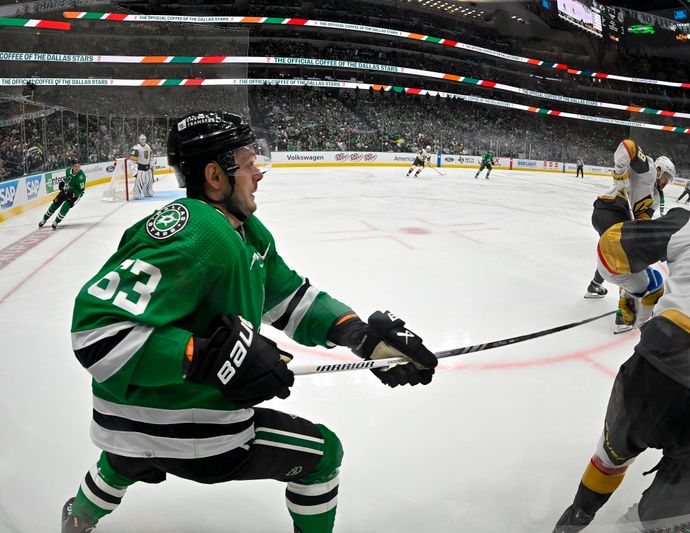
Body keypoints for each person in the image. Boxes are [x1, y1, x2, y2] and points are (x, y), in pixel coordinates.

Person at [61, 111, 438, 533]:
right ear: (215, 176)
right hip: (192, 429)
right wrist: (202, 356)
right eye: (248, 162)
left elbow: (291, 298)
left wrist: (362, 337)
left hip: (122, 425)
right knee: (324, 453)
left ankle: (78, 518)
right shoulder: (195, 231)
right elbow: (96, 334)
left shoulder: (247, 232)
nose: (258, 173)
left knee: (123, 458)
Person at [556, 187, 690, 532]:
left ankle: (575, 520)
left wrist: (645, 288)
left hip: (670, 359)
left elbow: (609, 249)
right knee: (652, 527)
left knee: (610, 455)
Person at [584, 139, 674, 335]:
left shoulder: (656, 198)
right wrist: (620, 174)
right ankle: (623, 316)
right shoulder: (647, 168)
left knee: (613, 257)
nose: (665, 182)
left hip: (608, 215)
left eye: (669, 180)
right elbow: (626, 146)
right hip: (611, 210)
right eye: (665, 175)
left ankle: (594, 285)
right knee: (627, 258)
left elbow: (642, 221)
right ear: (658, 168)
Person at [38, 160, 85, 230]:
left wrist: (74, 193)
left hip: (75, 194)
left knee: (65, 207)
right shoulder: (68, 170)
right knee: (54, 204)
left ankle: (56, 222)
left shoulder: (81, 176)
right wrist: (63, 182)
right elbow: (67, 178)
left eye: (78, 166)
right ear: (72, 167)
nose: (77, 168)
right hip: (66, 190)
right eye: (75, 167)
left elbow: (81, 191)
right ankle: (44, 219)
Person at [130, 133, 154, 199]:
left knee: (149, 181)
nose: (143, 140)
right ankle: (136, 194)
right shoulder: (136, 148)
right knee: (139, 182)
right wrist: (134, 169)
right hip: (140, 168)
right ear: (139, 140)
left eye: (144, 139)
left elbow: (151, 155)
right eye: (142, 139)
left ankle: (148, 192)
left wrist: (152, 163)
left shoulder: (148, 146)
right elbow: (132, 160)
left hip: (148, 167)